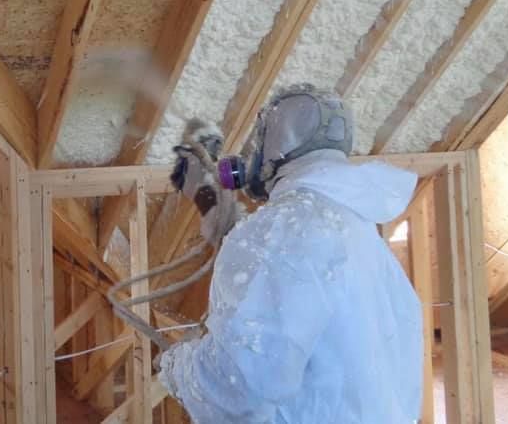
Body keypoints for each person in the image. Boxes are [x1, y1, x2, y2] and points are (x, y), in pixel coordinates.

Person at [160, 84, 423, 423]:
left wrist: (178, 369)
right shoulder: (354, 223)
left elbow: (241, 387)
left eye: (258, 142)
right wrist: (206, 198)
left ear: (274, 147)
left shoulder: (281, 231)